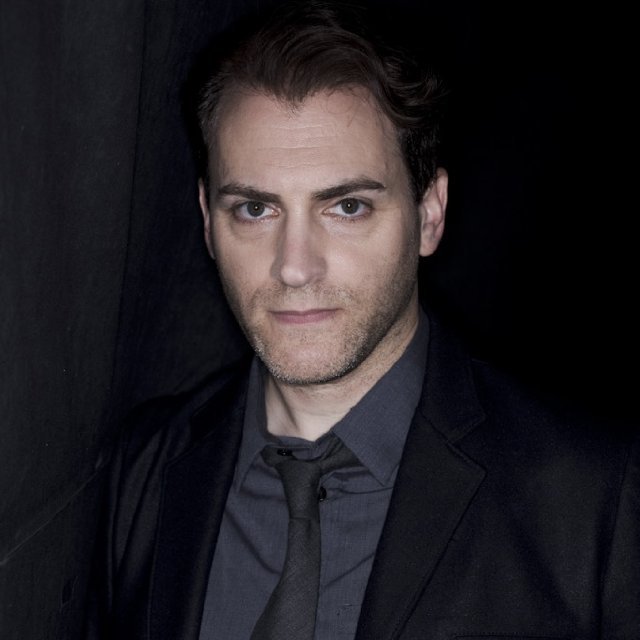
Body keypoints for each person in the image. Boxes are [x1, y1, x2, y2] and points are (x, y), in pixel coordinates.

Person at [85, 1, 640, 638]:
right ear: (209, 219)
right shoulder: (146, 471)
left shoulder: (593, 500)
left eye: (347, 207)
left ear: (429, 214)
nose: (295, 267)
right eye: (256, 210)